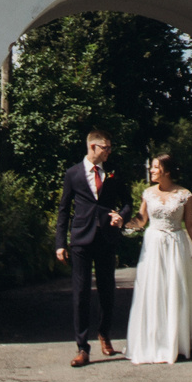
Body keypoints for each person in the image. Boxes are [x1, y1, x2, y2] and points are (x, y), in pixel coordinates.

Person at [124, 152, 192, 364]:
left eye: (155, 167)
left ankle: (177, 341)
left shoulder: (185, 195)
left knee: (176, 289)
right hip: (154, 245)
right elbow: (141, 220)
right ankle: (155, 341)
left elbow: (190, 224)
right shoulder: (148, 193)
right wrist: (122, 223)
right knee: (154, 290)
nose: (151, 170)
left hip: (176, 244)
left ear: (166, 170)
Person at [54, 128, 132, 368]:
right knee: (80, 294)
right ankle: (82, 347)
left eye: (110, 148)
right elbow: (64, 209)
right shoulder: (73, 174)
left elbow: (128, 203)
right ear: (92, 147)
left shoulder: (114, 172)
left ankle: (104, 334)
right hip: (80, 239)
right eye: (105, 148)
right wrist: (60, 243)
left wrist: (121, 216)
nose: (109, 152)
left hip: (106, 238)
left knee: (107, 290)